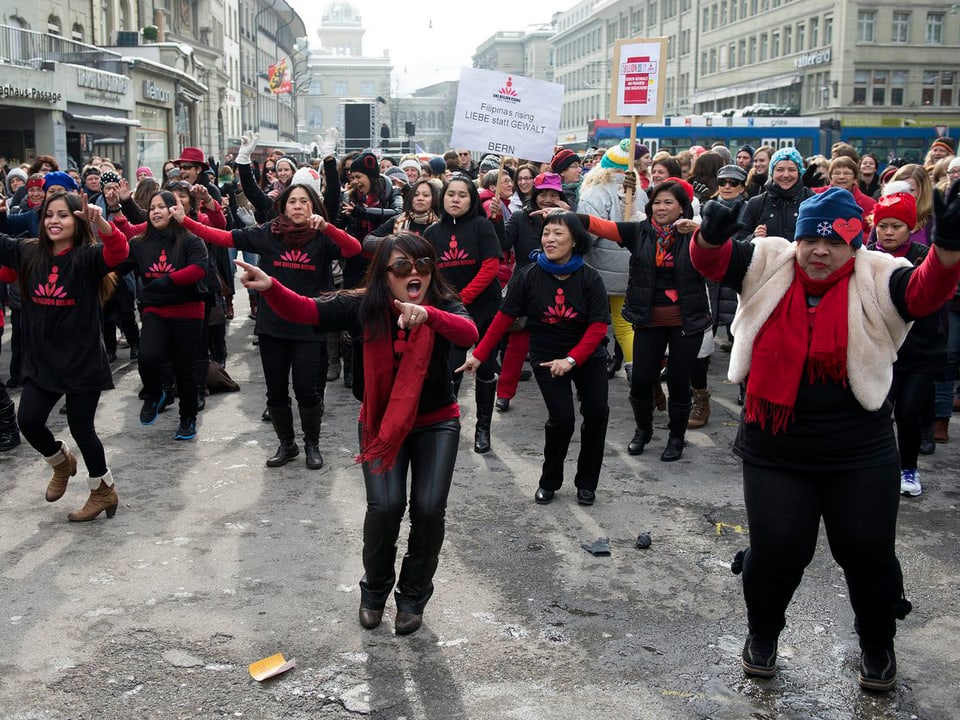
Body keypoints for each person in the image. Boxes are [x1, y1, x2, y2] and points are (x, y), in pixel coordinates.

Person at [690, 185, 960, 691]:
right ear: (797, 239)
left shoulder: (881, 273)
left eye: (835, 242)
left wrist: (947, 245)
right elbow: (712, 261)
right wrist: (709, 233)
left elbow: (926, 293)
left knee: (867, 552)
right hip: (776, 445)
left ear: (854, 243)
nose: (820, 251)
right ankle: (763, 636)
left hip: (860, 447)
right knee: (778, 550)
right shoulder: (769, 261)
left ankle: (877, 644)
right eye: (811, 239)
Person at [235, 232, 478, 635]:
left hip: (437, 421)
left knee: (429, 509)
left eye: (422, 265)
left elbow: (468, 334)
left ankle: (413, 596)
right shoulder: (362, 305)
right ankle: (374, 591)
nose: (413, 273)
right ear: (385, 274)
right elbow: (306, 310)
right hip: (380, 423)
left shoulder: (443, 304)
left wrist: (429, 316)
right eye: (402, 266)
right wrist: (272, 287)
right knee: (385, 507)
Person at [176, 181, 361, 469]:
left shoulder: (322, 236)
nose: (298, 206)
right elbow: (223, 237)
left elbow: (354, 248)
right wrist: (184, 220)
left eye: (304, 202)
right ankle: (287, 445)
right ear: (283, 207)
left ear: (313, 207)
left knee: (307, 390)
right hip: (272, 326)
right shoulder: (268, 233)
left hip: (310, 326)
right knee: (275, 391)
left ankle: (312, 444)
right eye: (292, 202)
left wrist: (327, 227)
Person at [459, 211, 610, 505]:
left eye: (558, 234)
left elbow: (598, 326)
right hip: (545, 357)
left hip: (586, 357)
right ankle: (550, 481)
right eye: (546, 234)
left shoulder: (590, 278)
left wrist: (572, 360)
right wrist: (479, 354)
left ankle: (587, 482)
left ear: (575, 240)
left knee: (596, 414)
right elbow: (504, 318)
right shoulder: (529, 275)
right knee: (562, 420)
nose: (550, 240)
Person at [0, 192, 129, 520]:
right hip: (43, 361)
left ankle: (103, 491)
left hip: (82, 361)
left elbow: (119, 251)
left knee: (81, 428)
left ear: (77, 220)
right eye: (48, 215)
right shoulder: (29, 252)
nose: (54, 221)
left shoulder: (87, 257)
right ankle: (60, 461)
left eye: (63, 215)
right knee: (28, 420)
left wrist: (100, 221)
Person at [578, 179, 709, 461]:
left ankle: (676, 437)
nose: (661, 208)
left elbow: (725, 240)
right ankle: (643, 430)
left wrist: (700, 231)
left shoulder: (696, 235)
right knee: (640, 379)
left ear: (682, 207)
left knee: (677, 380)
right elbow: (600, 226)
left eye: (668, 203)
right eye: (657, 203)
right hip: (649, 318)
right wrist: (561, 213)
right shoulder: (639, 232)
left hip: (687, 320)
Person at [868, 191, 946, 497]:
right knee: (879, 411)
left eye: (896, 226)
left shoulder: (923, 255)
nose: (888, 232)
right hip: (881, 349)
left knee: (909, 412)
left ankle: (908, 468)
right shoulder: (866, 256)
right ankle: (880, 466)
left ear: (910, 228)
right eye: (883, 225)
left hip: (920, 351)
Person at [117, 191, 209, 441]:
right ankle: (154, 393)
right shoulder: (139, 242)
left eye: (162, 207)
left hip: (188, 311)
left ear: (174, 210)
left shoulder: (191, 240)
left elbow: (199, 269)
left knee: (184, 369)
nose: (156, 211)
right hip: (155, 310)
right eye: (152, 207)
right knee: (148, 356)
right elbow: (117, 265)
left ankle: (188, 418)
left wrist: (167, 281)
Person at [424, 175, 502, 453]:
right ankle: (447, 424)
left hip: (484, 307)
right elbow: (429, 272)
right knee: (450, 367)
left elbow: (491, 266)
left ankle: (483, 428)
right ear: (442, 198)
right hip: (449, 310)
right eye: (450, 194)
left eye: (462, 195)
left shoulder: (482, 226)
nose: (455, 199)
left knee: (486, 366)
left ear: (471, 200)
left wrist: (464, 298)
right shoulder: (432, 232)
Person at [578, 141, 649, 384]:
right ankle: (636, 371)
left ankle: (589, 368)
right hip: (629, 266)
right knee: (624, 323)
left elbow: (587, 234)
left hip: (597, 268)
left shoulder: (594, 193)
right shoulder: (639, 192)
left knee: (591, 320)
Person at [735, 147, 814, 242]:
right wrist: (753, 237)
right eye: (780, 170)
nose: (785, 175)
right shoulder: (756, 203)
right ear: (772, 173)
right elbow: (740, 243)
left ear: (799, 172)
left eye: (791, 170)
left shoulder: (811, 200)